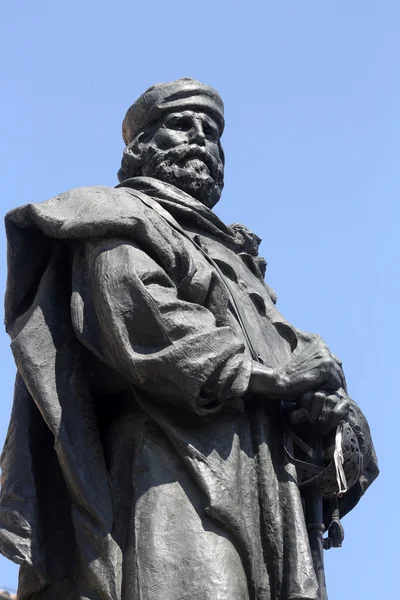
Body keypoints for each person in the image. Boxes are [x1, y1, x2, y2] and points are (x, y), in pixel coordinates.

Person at [0, 78, 378, 600]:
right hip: (175, 466)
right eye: (181, 125)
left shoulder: (241, 268)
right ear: (139, 148)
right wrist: (274, 377)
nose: (201, 139)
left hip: (267, 482)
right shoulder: (115, 216)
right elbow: (140, 316)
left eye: (213, 132)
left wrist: (320, 412)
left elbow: (299, 367)